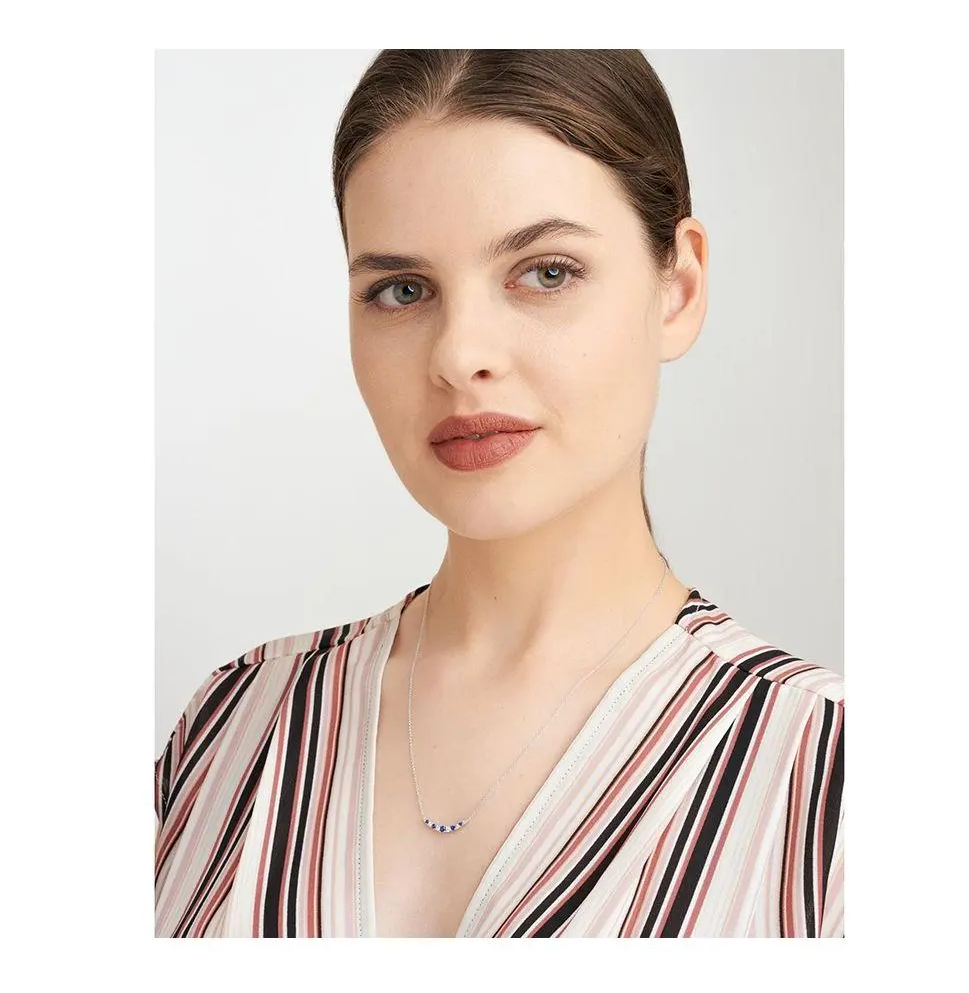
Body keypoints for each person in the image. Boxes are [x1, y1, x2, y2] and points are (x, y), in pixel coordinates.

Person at [154, 49, 844, 938]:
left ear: (677, 289)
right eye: (402, 290)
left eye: (546, 272)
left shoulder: (830, 775)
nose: (459, 355)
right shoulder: (233, 726)